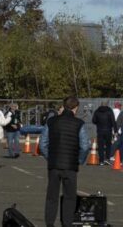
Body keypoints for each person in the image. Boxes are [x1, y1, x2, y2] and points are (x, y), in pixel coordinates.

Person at [40, 96, 90, 227]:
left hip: (54, 164)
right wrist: (79, 160)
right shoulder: (79, 123)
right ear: (75, 108)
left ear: (64, 106)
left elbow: (42, 144)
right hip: (70, 165)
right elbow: (85, 145)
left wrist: (49, 158)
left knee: (52, 197)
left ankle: (50, 223)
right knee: (69, 197)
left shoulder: (51, 122)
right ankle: (67, 223)